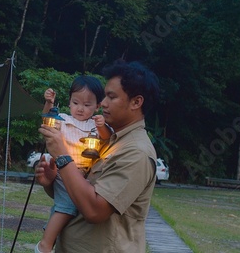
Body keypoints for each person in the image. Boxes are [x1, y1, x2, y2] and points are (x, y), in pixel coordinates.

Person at [36, 60, 160, 252]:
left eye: (111, 97)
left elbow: (95, 211)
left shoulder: (136, 152)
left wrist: (62, 156)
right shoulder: (109, 140)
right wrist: (51, 183)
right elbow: (81, 192)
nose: (102, 103)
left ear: (136, 102)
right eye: (104, 97)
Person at [36, 76, 112, 253]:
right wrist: (48, 103)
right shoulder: (63, 119)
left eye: (87, 105)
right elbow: (46, 119)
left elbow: (108, 138)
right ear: (69, 101)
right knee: (66, 208)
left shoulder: (95, 125)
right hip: (63, 170)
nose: (80, 108)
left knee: (63, 207)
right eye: (76, 102)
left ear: (97, 106)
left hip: (84, 174)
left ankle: (50, 238)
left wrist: (101, 126)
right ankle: (44, 245)